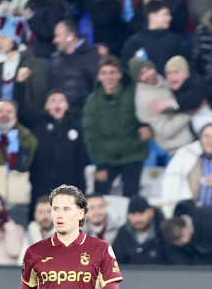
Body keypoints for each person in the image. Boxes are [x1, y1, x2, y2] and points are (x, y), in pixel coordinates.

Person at [83, 56, 150, 198]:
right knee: (97, 195)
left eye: (112, 72)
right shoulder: (92, 101)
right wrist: (100, 165)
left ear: (120, 74)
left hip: (133, 153)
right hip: (107, 157)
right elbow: (91, 135)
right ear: (99, 77)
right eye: (104, 73)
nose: (109, 77)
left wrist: (147, 127)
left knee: (131, 196)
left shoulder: (134, 93)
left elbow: (147, 113)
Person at [30, 90, 88, 202]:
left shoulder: (75, 128)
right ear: (46, 106)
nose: (57, 103)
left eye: (61, 100)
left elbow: (80, 158)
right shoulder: (38, 126)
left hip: (69, 183)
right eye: (53, 100)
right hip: (42, 184)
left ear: (67, 105)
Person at [131, 57, 195, 154]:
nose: (149, 74)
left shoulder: (162, 82)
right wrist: (188, 113)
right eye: (142, 73)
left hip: (192, 138)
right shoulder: (145, 100)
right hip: (178, 148)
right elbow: (165, 131)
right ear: (137, 79)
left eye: (149, 69)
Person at [159, 201, 212, 265]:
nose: (182, 245)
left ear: (184, 230)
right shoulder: (170, 233)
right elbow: (174, 255)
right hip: (202, 269)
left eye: (181, 242)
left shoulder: (210, 216)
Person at [49, 19, 102, 114]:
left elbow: (99, 89)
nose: (54, 41)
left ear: (70, 37)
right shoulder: (55, 59)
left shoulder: (92, 57)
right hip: (59, 115)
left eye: (57, 36)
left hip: (84, 114)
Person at [121, 0, 187, 74]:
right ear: (152, 16)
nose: (170, 18)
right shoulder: (135, 42)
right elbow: (126, 67)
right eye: (165, 14)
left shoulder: (176, 41)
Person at [111, 194, 166, 264]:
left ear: (151, 212)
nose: (137, 219)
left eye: (141, 213)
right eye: (133, 214)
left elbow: (174, 263)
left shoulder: (163, 233)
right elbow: (114, 261)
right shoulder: (123, 233)